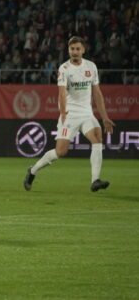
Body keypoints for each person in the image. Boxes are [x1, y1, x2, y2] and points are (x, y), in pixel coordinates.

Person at [24, 36, 115, 192]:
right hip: (70, 114)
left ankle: (95, 180)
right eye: (72, 49)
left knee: (98, 137)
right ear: (68, 50)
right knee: (60, 152)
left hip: (86, 113)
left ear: (83, 50)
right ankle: (32, 171)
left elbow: (97, 93)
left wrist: (105, 117)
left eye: (78, 49)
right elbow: (61, 93)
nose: (75, 52)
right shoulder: (64, 69)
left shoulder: (91, 67)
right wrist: (63, 113)